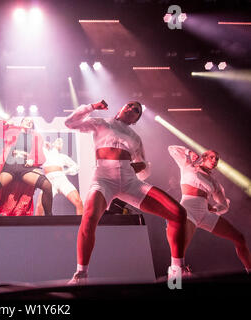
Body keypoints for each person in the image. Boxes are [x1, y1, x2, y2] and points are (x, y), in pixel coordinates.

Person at [64, 100, 187, 284]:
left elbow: (145, 170)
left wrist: (139, 167)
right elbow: (70, 123)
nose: (132, 109)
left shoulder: (136, 138)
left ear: (136, 119)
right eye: (130, 105)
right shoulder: (101, 123)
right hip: (104, 179)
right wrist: (92, 107)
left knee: (178, 213)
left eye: (136, 110)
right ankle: (81, 275)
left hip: (130, 182)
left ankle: (177, 272)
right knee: (89, 218)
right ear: (121, 108)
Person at [168, 145, 251, 273]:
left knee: (239, 238)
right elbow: (172, 149)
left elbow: (224, 204)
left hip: (205, 214)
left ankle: (249, 269)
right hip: (188, 211)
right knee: (180, 247)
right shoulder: (188, 166)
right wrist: (189, 152)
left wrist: (214, 209)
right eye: (212, 157)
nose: (214, 161)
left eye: (217, 159)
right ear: (204, 157)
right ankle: (176, 277)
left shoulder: (215, 182)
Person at [0, 117, 53, 216]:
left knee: (47, 186)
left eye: (31, 122)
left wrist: (33, 161)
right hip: (11, 165)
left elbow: (39, 153)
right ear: (21, 122)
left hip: (25, 167)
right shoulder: (11, 131)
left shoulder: (36, 136)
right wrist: (5, 124)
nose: (29, 122)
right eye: (26, 120)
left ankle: (50, 217)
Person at [36, 138, 83, 215]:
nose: (60, 142)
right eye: (58, 140)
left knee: (78, 202)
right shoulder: (46, 153)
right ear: (53, 144)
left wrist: (65, 172)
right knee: (39, 206)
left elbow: (76, 166)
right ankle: (37, 226)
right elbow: (37, 145)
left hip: (61, 180)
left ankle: (82, 226)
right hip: (49, 181)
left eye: (61, 142)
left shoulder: (63, 157)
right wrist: (44, 145)